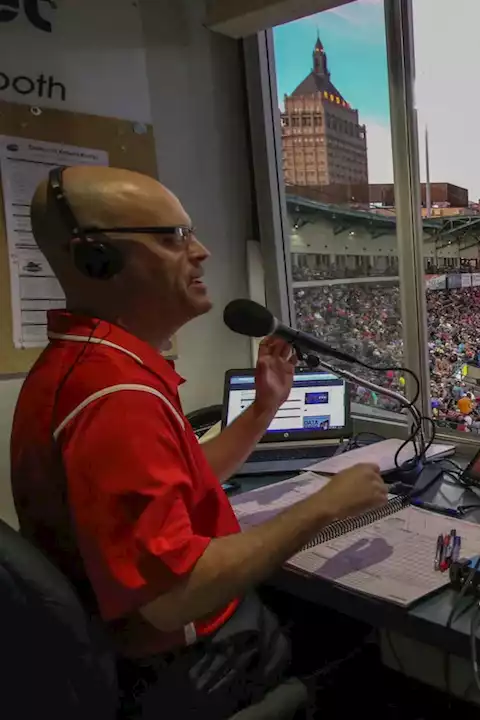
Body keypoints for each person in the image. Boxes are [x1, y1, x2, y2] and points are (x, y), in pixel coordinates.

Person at [10, 167, 389, 718]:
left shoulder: (87, 364)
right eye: (171, 238)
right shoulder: (117, 398)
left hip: (124, 646)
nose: (201, 252)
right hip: (181, 661)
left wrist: (262, 410)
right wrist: (326, 506)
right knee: (366, 634)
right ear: (96, 259)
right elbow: (174, 597)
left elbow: (181, 479)